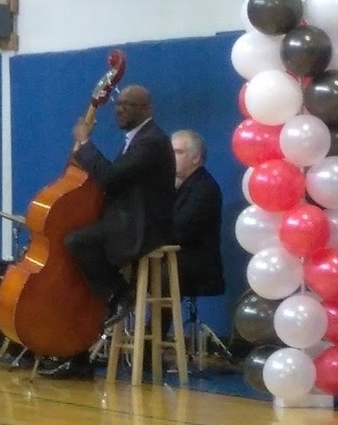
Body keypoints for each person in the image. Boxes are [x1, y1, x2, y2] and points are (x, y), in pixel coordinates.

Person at [42, 85, 176, 379]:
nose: (120, 110)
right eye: (118, 105)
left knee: (76, 241)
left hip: (142, 229)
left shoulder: (152, 141)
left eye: (129, 105)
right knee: (79, 264)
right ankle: (77, 353)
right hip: (123, 221)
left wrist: (86, 143)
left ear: (147, 110)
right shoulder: (135, 140)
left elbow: (112, 179)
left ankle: (119, 291)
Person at [171, 128, 225, 300]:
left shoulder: (204, 189)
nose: (171, 157)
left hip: (194, 266)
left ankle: (154, 327)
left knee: (152, 271)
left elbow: (180, 231)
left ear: (196, 158)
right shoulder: (179, 185)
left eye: (178, 152)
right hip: (177, 260)